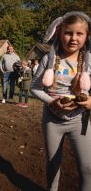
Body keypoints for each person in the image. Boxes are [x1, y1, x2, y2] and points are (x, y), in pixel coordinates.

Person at [30, 11, 91, 191]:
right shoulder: (49, 59)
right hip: (52, 121)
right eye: (68, 32)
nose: (73, 38)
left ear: (87, 36)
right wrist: (51, 102)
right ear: (59, 33)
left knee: (87, 168)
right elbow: (34, 87)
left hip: (80, 121)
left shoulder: (90, 62)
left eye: (79, 33)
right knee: (53, 164)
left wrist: (89, 102)